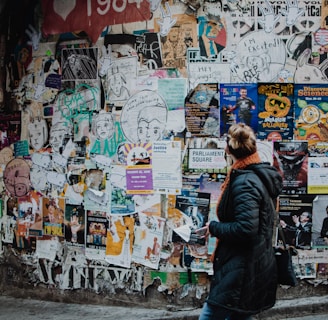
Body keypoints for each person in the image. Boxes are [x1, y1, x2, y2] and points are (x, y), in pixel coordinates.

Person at [199, 123, 283, 320]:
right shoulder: (254, 175)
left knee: (211, 314)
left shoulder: (245, 182)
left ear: (228, 149)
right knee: (239, 314)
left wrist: (214, 227)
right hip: (249, 262)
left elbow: (246, 228)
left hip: (241, 266)